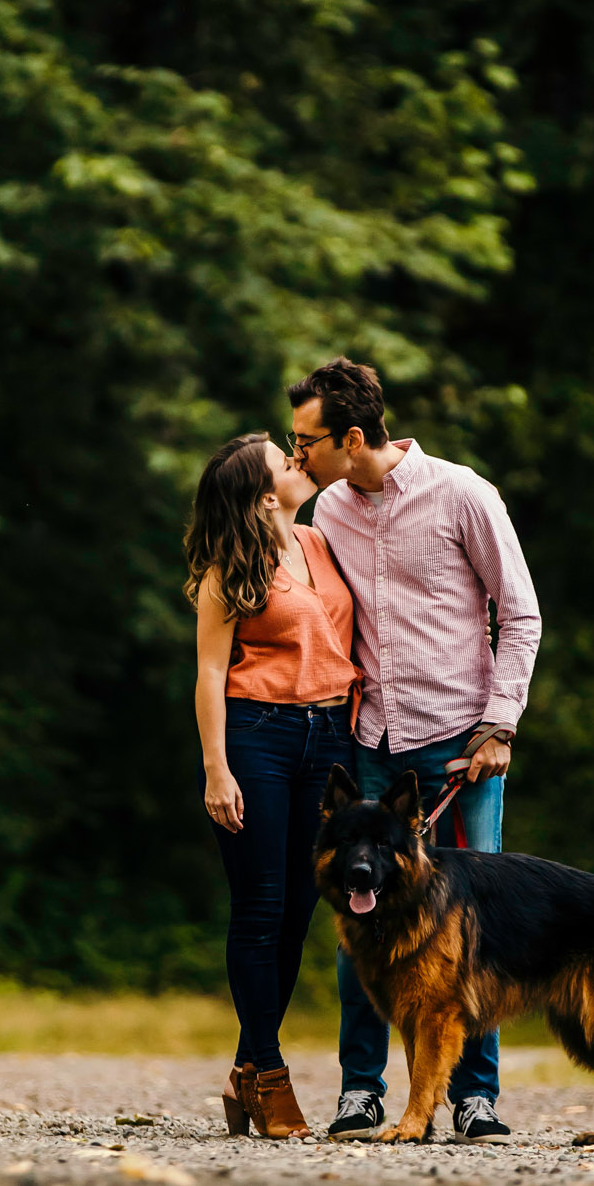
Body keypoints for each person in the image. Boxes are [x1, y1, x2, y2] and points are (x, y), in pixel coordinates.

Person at [287, 357, 542, 1141]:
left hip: (459, 746)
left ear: (352, 436)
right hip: (372, 742)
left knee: (473, 928)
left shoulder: (462, 493)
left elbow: (520, 614)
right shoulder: (327, 508)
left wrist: (497, 726)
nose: (296, 455)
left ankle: (474, 1098)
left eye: (306, 441)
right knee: (358, 915)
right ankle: (360, 1090)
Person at [187, 431, 358, 1139]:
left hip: (329, 739)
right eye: (283, 463)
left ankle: (242, 1071)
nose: (298, 463)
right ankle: (270, 1076)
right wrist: (216, 767)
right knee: (259, 909)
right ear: (261, 495)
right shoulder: (230, 570)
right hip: (258, 736)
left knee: (296, 913)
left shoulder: (317, 543)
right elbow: (207, 674)